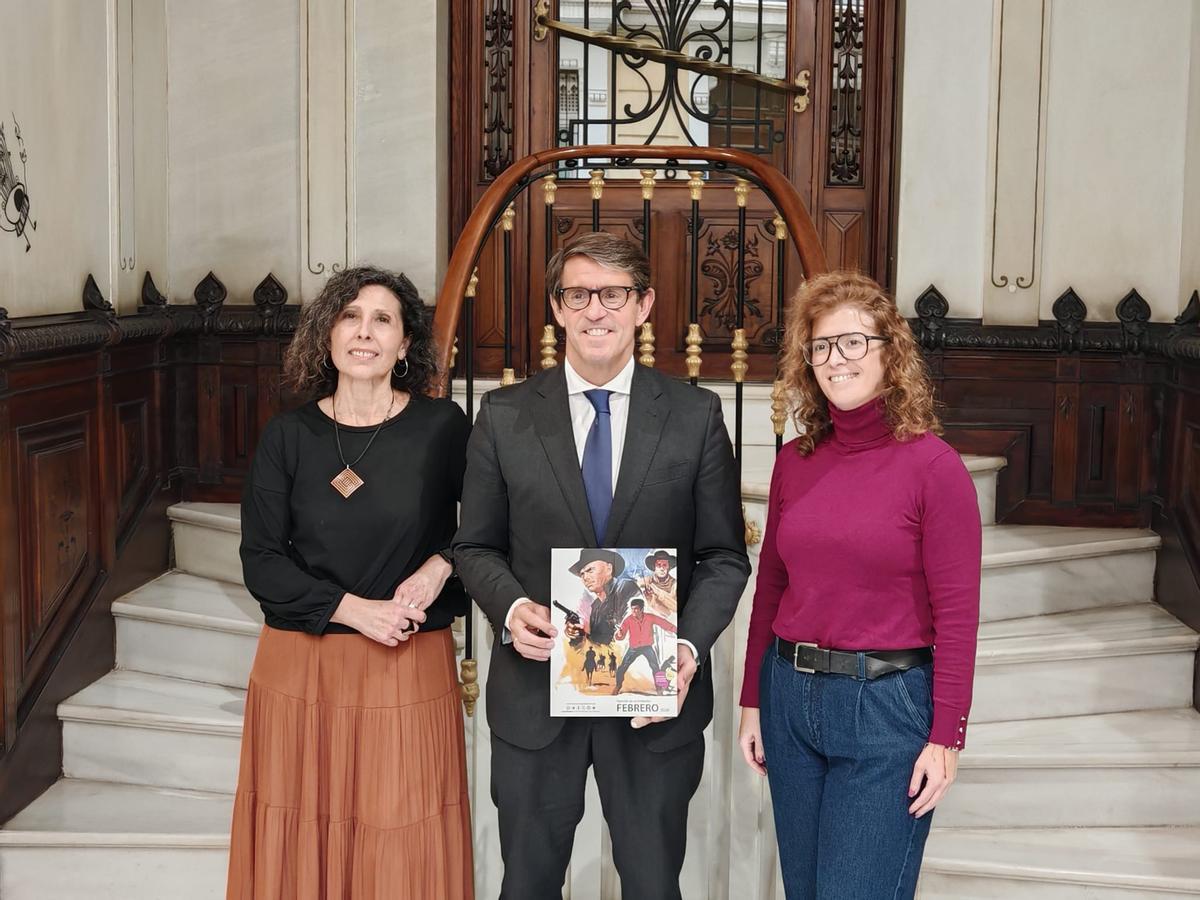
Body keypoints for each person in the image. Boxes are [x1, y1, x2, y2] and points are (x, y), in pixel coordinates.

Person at [454, 232, 750, 900]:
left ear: (643, 305)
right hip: (536, 697)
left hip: (653, 702)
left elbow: (725, 558)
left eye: (613, 294)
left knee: (652, 885)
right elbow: (474, 546)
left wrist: (687, 647)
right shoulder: (502, 416)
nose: (596, 310)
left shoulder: (695, 415)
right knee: (527, 885)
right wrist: (508, 608)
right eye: (579, 294)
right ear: (557, 308)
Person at [228, 266, 473, 899]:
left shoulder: (443, 428)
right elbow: (261, 561)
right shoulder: (288, 435)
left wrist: (441, 562)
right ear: (326, 334)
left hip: (406, 663)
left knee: (401, 838)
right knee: (301, 835)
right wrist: (353, 611)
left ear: (404, 344)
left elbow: (486, 529)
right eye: (349, 316)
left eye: (382, 319)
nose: (364, 332)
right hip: (300, 665)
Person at [737, 271, 981, 900]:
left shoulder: (934, 468)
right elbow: (771, 586)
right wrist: (752, 700)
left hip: (886, 709)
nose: (834, 360)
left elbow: (958, 615)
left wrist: (946, 735)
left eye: (851, 343)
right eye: (820, 347)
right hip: (791, 699)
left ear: (888, 350)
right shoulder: (796, 460)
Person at [565, 547, 642, 647]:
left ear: (609, 569)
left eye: (590, 570)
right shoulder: (595, 606)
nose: (585, 578)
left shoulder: (626, 588)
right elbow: (596, 642)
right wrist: (578, 634)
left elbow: (630, 633)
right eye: (582, 574)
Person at [613, 596, 677, 694]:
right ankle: (618, 685)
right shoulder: (628, 620)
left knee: (656, 667)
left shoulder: (650, 617)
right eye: (632, 609)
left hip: (647, 647)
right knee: (622, 667)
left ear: (642, 609)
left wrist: (675, 630)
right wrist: (619, 634)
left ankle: (659, 689)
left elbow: (663, 623)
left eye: (636, 609)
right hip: (633, 648)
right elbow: (621, 635)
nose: (633, 611)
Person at [639, 548, 678, 614]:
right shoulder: (647, 581)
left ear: (669, 567)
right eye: (659, 565)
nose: (662, 568)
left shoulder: (675, 584)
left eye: (664, 565)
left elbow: (675, 609)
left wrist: (657, 592)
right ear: (654, 567)